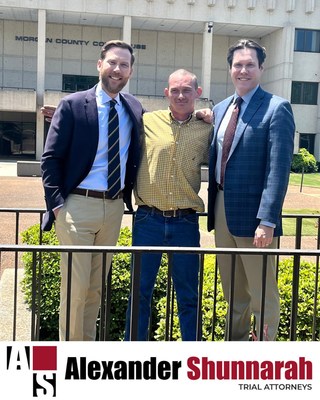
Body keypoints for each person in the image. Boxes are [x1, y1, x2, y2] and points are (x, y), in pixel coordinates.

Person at [41, 40, 144, 341]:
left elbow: (164, 125)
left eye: (124, 65)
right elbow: (50, 159)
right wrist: (58, 205)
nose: (117, 69)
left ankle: (85, 352)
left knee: (95, 287)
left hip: (112, 209)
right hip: (77, 206)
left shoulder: (134, 108)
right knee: (76, 288)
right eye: (112, 62)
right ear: (99, 65)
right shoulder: (73, 105)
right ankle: (69, 358)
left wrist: (206, 116)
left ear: (130, 72)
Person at [207, 39, 295, 341]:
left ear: (261, 68)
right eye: (237, 65)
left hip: (256, 220)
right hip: (221, 212)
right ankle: (236, 351)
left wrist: (268, 221)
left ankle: (265, 355)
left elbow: (278, 170)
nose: (242, 70)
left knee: (262, 294)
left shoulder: (276, 108)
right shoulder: (220, 109)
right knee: (233, 291)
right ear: (230, 68)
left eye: (249, 65)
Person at [125, 69, 213, 341]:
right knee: (139, 293)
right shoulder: (146, 121)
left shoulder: (207, 128)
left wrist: (211, 114)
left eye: (187, 90)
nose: (180, 95)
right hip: (147, 221)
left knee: (188, 296)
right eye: (175, 90)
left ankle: (193, 359)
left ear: (197, 93)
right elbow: (105, 124)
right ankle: (133, 357)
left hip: (185, 223)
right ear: (166, 93)